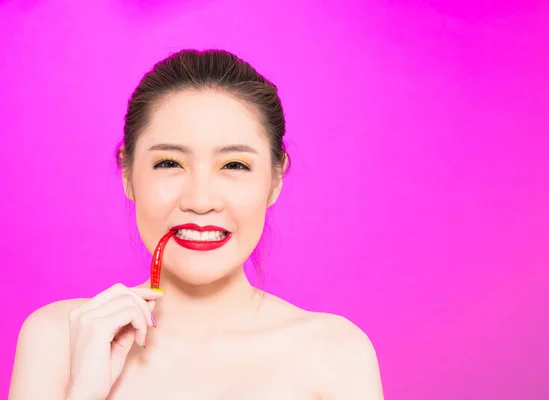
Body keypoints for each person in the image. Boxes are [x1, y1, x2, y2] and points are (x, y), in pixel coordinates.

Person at [8, 49, 384, 400]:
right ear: (127, 171)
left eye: (234, 165)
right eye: (169, 163)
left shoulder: (337, 354)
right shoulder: (59, 338)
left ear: (275, 179)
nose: (200, 201)